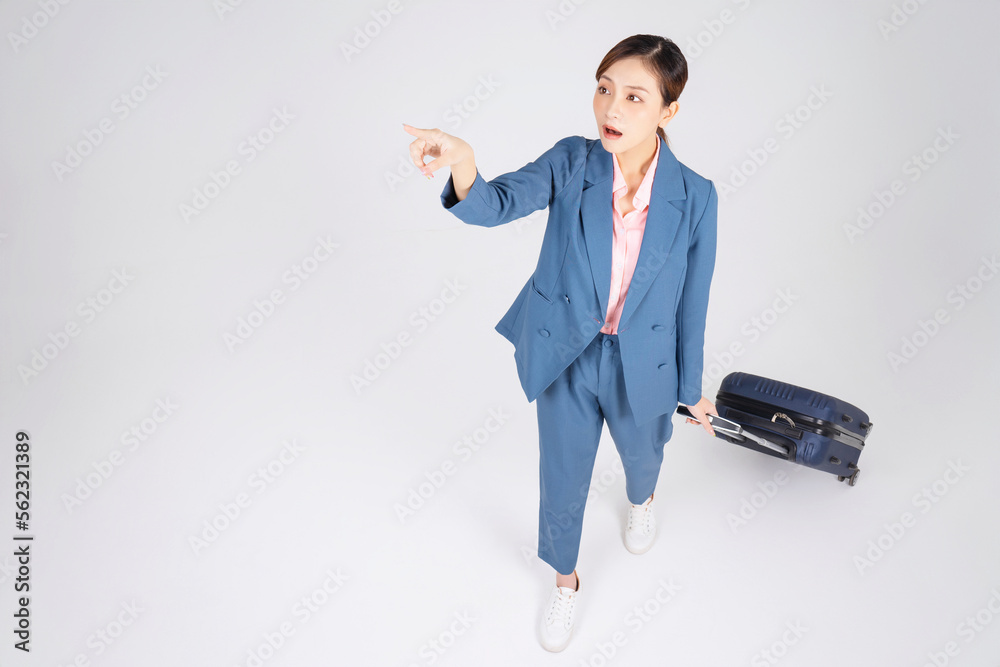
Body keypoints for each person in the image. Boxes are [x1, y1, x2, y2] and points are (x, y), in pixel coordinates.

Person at [404, 33, 719, 652]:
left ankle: (642, 499)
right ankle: (566, 583)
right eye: (604, 89)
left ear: (668, 111)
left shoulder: (697, 197)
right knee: (563, 476)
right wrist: (463, 158)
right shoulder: (572, 162)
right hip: (568, 353)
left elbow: (694, 303)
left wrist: (691, 390)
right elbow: (496, 203)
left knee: (645, 456)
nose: (612, 110)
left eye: (634, 96)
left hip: (644, 365)